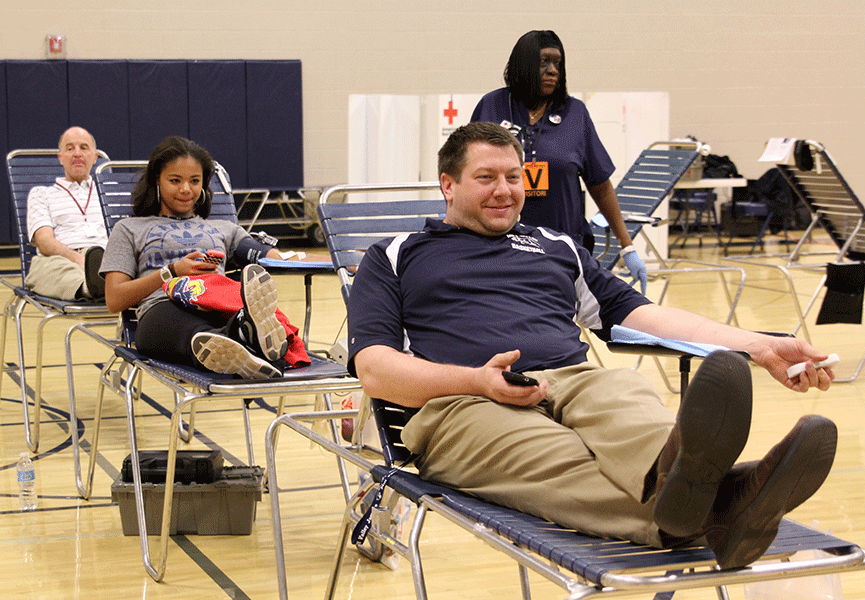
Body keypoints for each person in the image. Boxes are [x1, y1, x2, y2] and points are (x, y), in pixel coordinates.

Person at [346, 122, 838, 569]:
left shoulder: (554, 246)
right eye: (486, 178)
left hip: (576, 381)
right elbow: (374, 369)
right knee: (556, 460)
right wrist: (475, 380)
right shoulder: (395, 255)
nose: (504, 191)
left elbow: (641, 313)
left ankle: (685, 485)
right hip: (462, 402)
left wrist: (759, 344)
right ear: (447, 185)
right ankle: (728, 501)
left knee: (625, 395)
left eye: (514, 178)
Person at [100, 136, 313, 378]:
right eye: (175, 180)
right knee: (190, 333)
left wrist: (343, 262)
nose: (185, 189)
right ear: (157, 180)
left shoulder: (224, 229)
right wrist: (171, 272)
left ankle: (242, 337)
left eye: (194, 181)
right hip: (163, 309)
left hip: (216, 304)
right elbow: (114, 299)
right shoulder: (130, 229)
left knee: (220, 320)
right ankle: (242, 338)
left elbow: (273, 256)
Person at [470, 30, 647, 292]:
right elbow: (466, 171)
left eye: (558, 64)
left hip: (563, 248)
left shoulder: (575, 112)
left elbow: (599, 184)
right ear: (523, 64)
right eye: (544, 62)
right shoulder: (492, 106)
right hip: (499, 247)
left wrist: (627, 245)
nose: (553, 71)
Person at [25, 126, 107, 300]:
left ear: (95, 158)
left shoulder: (109, 192)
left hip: (106, 257)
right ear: (60, 158)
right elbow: (44, 242)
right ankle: (90, 287)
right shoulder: (41, 194)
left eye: (83, 148)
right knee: (46, 269)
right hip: (62, 259)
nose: (77, 154)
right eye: (70, 149)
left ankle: (101, 281)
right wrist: (79, 259)